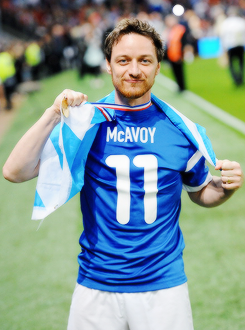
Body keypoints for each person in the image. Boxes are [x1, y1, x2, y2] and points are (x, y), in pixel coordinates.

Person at [2, 18, 243, 330]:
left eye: (145, 60)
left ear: (158, 66)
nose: (134, 70)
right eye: (123, 60)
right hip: (96, 285)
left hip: (163, 286)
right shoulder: (86, 123)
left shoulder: (181, 130)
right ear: (108, 65)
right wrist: (53, 114)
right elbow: (14, 171)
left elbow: (200, 191)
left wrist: (226, 188)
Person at [219, 7, 245, 86]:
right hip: (240, 45)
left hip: (230, 46)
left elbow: (222, 36)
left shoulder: (225, 23)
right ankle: (240, 78)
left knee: (231, 64)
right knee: (241, 63)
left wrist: (223, 48)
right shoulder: (241, 21)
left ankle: (236, 79)